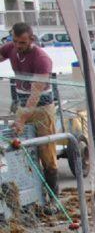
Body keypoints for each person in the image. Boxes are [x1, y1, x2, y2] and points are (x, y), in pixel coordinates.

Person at [0, 23, 58, 201]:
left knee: (47, 153)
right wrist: (21, 116)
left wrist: (22, 119)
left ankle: (53, 198)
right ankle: (29, 196)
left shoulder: (41, 59)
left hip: (41, 108)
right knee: (20, 149)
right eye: (15, 41)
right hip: (22, 104)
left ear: (31, 39)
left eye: (22, 42)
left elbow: (35, 94)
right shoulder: (11, 49)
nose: (18, 46)